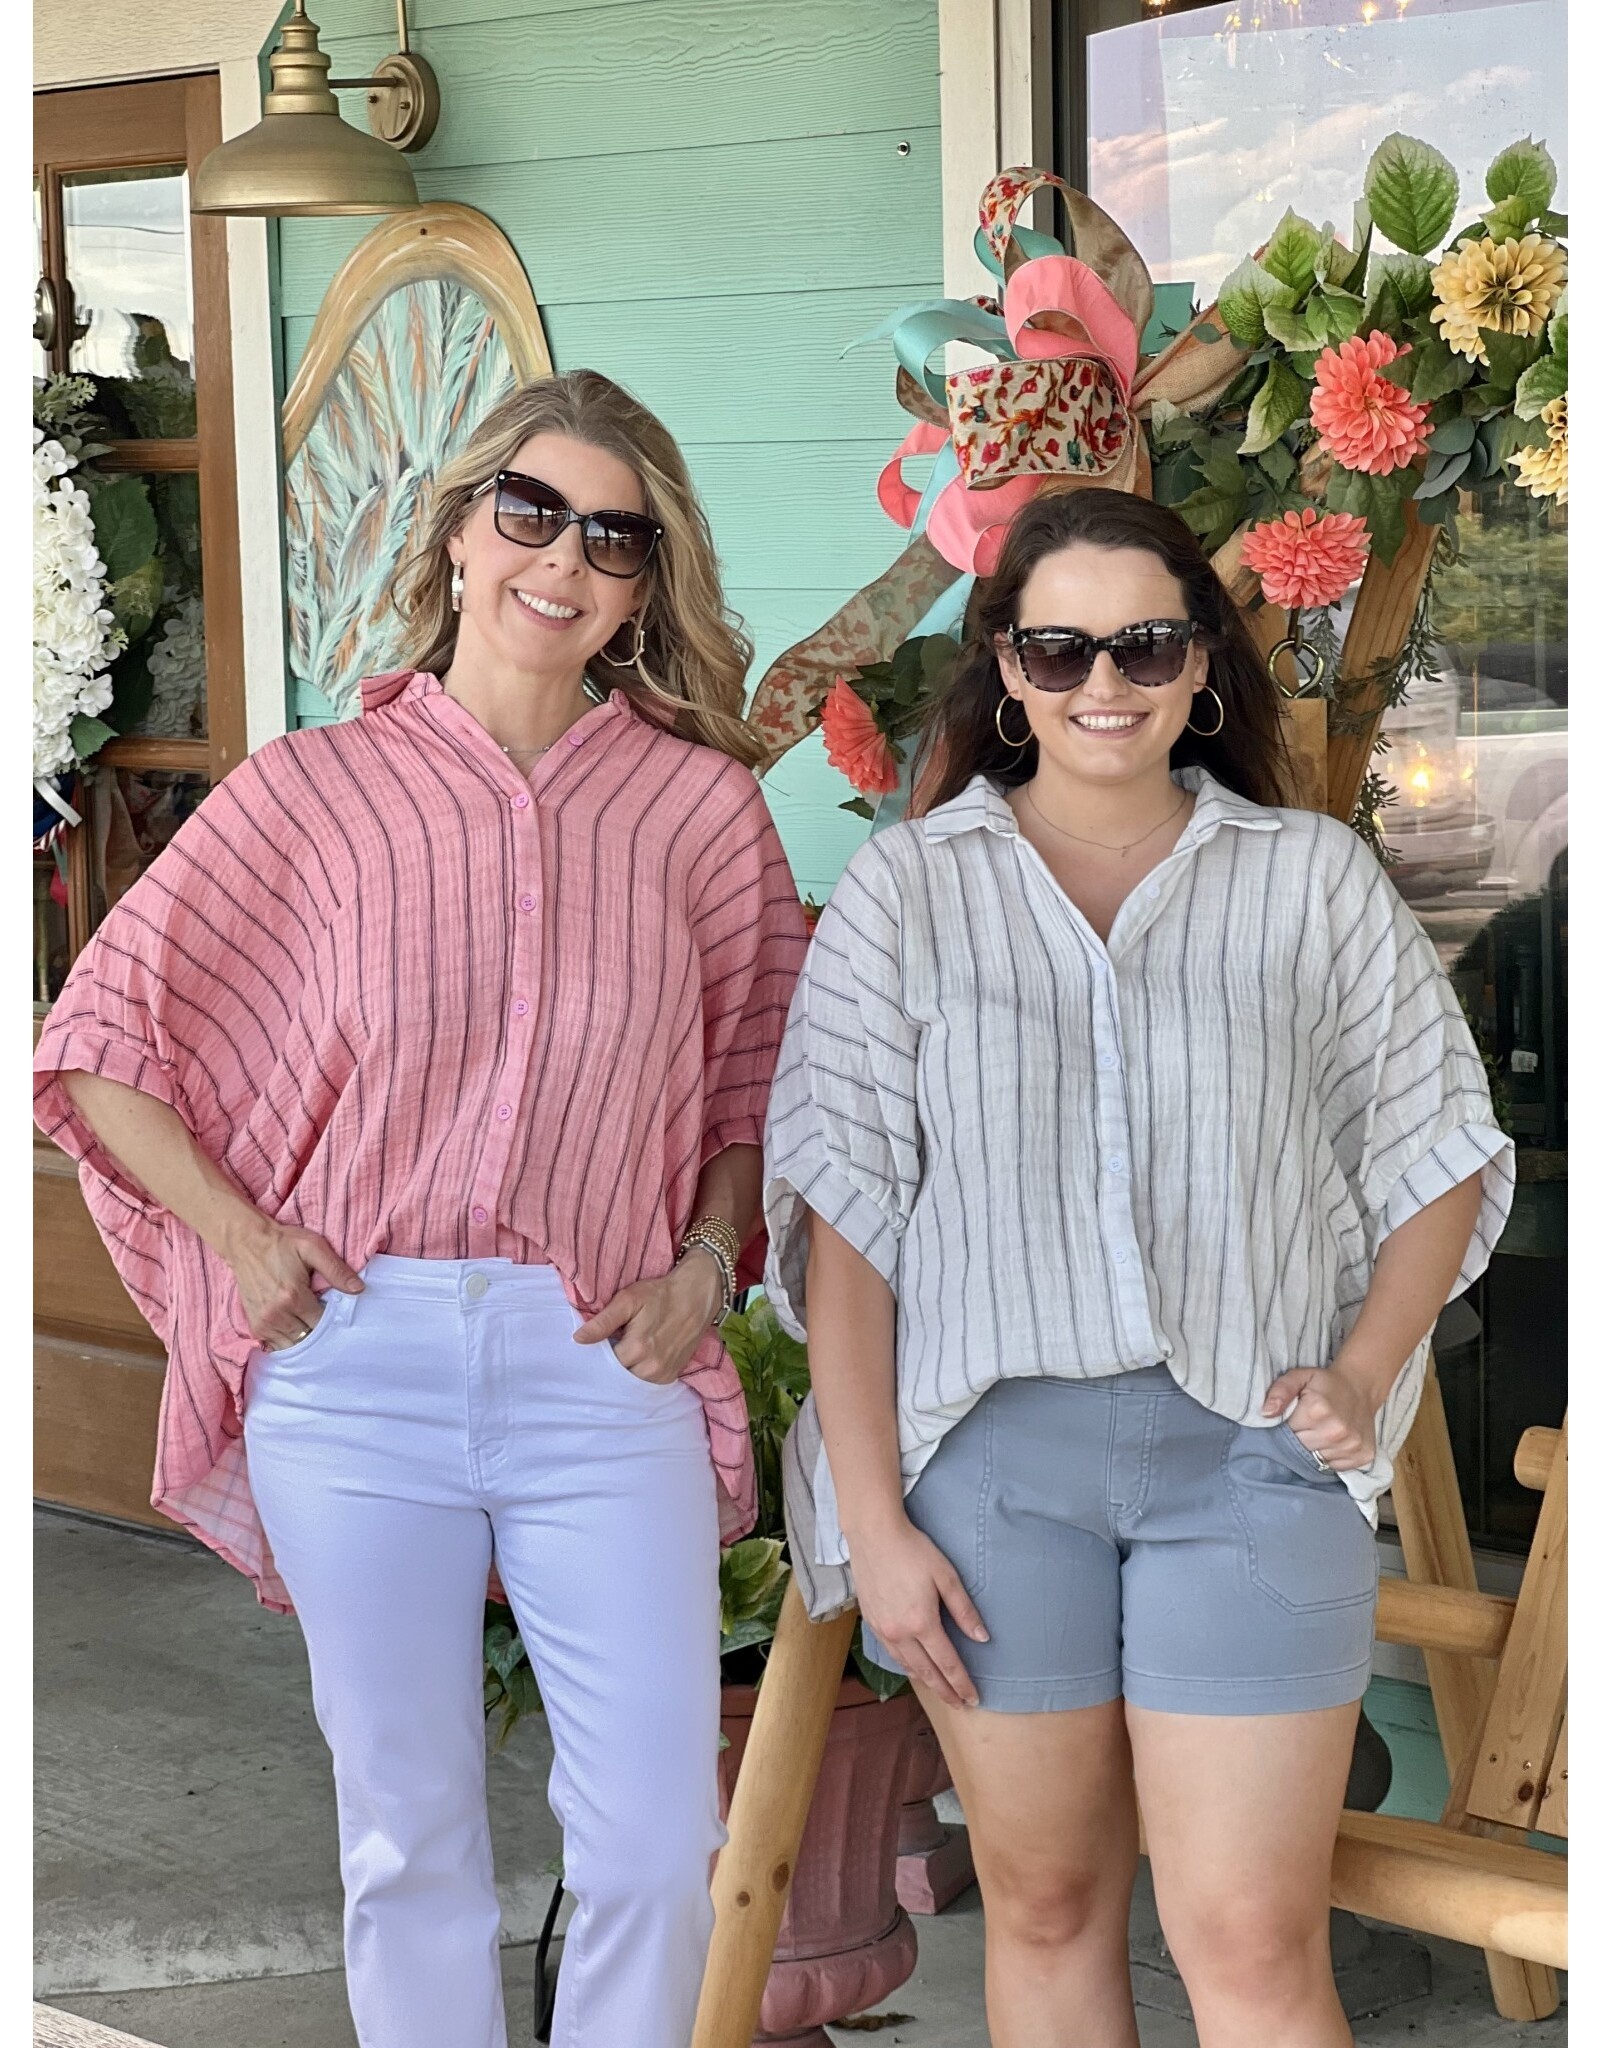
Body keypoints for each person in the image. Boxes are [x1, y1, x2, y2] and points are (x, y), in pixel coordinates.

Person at [34, 370, 809, 2048]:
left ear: (644, 581)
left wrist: (701, 1265)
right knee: (406, 1844)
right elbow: (98, 1048)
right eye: (529, 512)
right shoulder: (312, 792)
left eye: (614, 535)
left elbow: (751, 1085)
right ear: (460, 533)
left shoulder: (699, 811)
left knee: (663, 1846)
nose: (566, 560)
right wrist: (242, 1239)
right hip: (360, 1360)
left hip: (607, 1367)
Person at [764, 488, 1511, 2048]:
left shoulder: (1309, 881)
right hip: (990, 1479)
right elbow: (846, 1222)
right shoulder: (911, 894)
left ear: (1198, 668)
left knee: (1245, 1935)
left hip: (1248, 1462)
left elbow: (1439, 1153)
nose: (1103, 682)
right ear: (1007, 670)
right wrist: (877, 1519)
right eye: (1060, 647)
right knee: (1042, 1909)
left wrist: (1368, 1369)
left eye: (1144, 644)